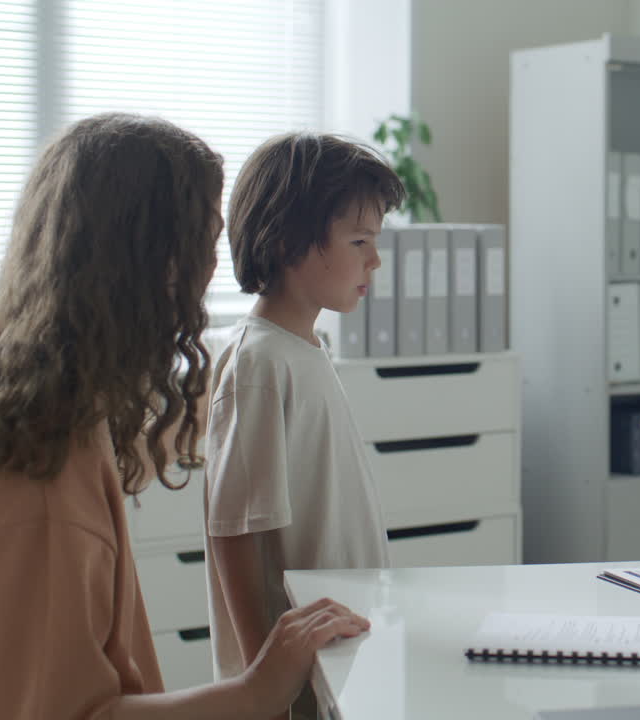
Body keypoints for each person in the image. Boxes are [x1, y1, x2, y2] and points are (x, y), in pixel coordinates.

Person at [0, 113, 370, 720]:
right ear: (154, 266)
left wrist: (241, 376)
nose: (211, 275)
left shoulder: (10, 404)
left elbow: (145, 447)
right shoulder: (43, 482)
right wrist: (258, 690)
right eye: (205, 243)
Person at [204, 132, 405, 719]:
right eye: (360, 240)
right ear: (291, 241)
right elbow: (236, 531)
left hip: (334, 655)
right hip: (290, 688)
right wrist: (264, 682)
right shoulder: (261, 363)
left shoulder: (304, 347)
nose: (374, 259)